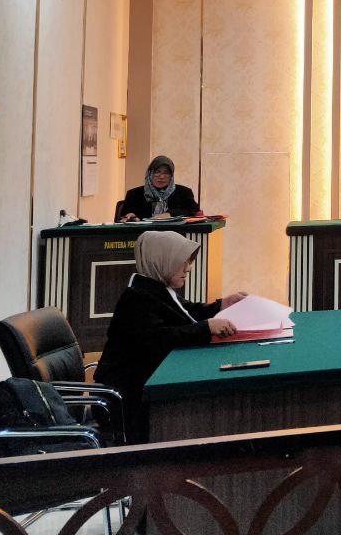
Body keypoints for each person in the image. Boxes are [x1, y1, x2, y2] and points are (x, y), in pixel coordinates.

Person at [94, 230, 247, 443]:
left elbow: (185, 313)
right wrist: (206, 328)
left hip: (146, 386)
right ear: (161, 261)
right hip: (131, 399)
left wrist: (221, 305)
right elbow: (158, 339)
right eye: (181, 263)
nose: (188, 268)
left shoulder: (154, 288)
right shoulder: (137, 298)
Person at [117, 155, 200, 221]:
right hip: (143, 234)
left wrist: (170, 214)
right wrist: (131, 217)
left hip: (174, 234)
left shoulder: (184, 192)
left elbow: (194, 211)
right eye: (157, 172)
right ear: (150, 174)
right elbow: (123, 218)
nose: (161, 177)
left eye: (166, 173)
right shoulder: (134, 194)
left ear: (171, 176)